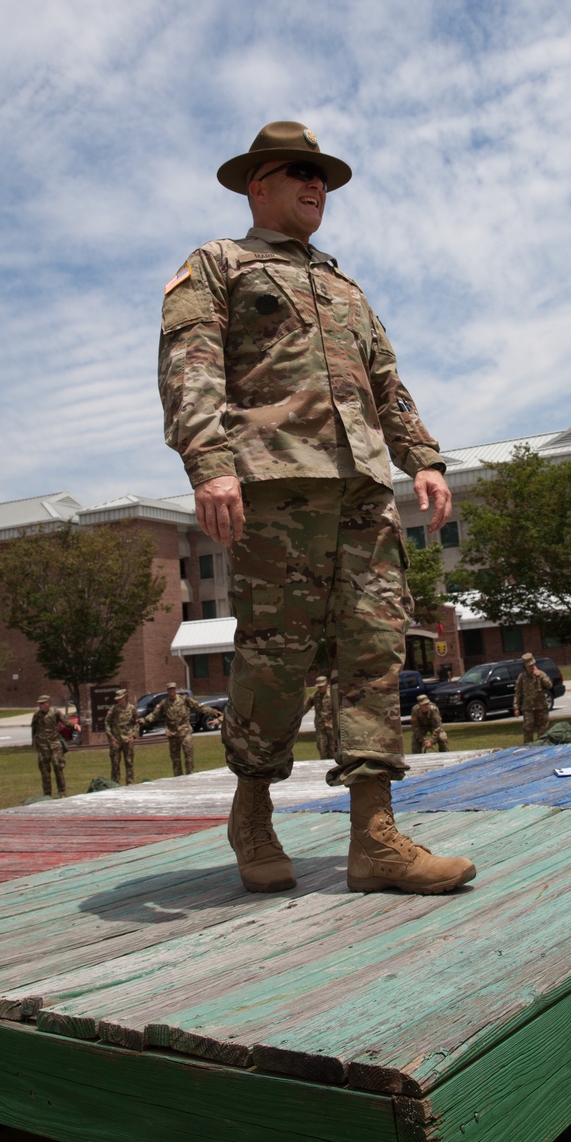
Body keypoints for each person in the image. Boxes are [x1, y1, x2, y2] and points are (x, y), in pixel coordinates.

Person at [158, 119, 474, 895]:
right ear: (255, 184)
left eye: (323, 175)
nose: (316, 184)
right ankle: (252, 812)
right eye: (298, 171)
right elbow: (190, 366)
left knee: (373, 649)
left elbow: (386, 385)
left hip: (363, 492)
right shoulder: (219, 264)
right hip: (274, 489)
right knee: (276, 656)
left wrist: (423, 459)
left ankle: (375, 839)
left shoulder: (344, 287)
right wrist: (210, 463)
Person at [139, 681, 221, 776]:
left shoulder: (184, 699)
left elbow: (198, 706)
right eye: (170, 690)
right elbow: (155, 715)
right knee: (175, 759)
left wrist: (212, 711)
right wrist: (144, 720)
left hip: (185, 731)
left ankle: (190, 775)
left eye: (173, 689)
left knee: (189, 755)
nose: (172, 692)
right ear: (168, 691)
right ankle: (178, 778)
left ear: (175, 690)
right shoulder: (164, 703)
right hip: (172, 733)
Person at [31, 694, 68, 798]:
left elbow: (65, 721)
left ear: (48, 703)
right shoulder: (37, 715)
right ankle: (47, 794)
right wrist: (34, 743)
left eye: (43, 703)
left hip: (55, 745)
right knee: (45, 772)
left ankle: (62, 792)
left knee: (58, 767)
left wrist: (74, 725)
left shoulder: (55, 713)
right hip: (43, 747)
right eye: (40, 704)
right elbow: (34, 729)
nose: (41, 705)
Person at [514, 653, 552, 744]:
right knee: (528, 728)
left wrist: (540, 676)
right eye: (529, 666)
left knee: (543, 729)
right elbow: (518, 692)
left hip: (541, 707)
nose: (532, 667)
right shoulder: (522, 677)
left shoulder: (541, 674)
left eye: (533, 665)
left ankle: (542, 746)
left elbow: (549, 685)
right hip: (528, 708)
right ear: (525, 666)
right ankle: (528, 748)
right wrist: (516, 707)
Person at [105, 687, 140, 784]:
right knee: (115, 763)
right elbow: (107, 723)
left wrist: (133, 735)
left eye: (120, 698)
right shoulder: (114, 709)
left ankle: (130, 783)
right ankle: (115, 784)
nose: (119, 700)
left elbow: (136, 722)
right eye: (118, 699)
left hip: (127, 739)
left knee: (129, 762)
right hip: (116, 740)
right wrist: (111, 738)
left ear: (125, 697)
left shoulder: (131, 708)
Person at [310, 676, 335, 760]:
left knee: (333, 750)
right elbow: (303, 709)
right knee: (322, 749)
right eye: (319, 687)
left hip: (332, 727)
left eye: (322, 686)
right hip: (320, 727)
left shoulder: (333, 696)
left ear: (326, 684)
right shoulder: (314, 696)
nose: (320, 688)